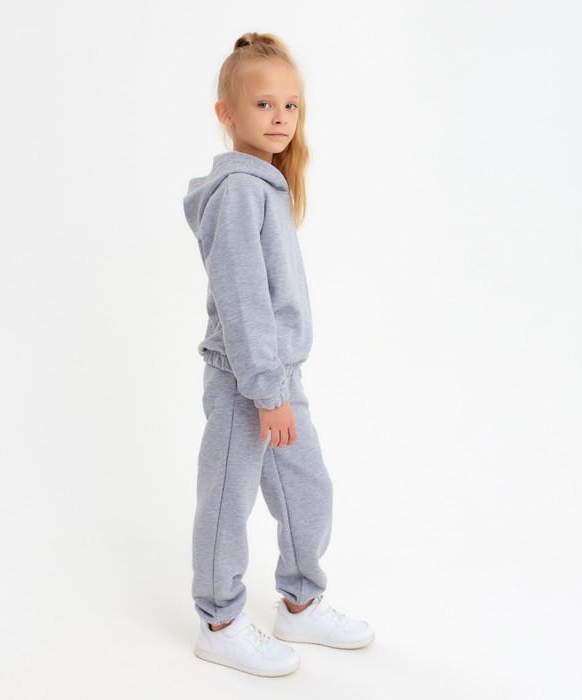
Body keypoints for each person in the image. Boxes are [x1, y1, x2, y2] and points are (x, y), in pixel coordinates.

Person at [183, 32, 374, 677]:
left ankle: (301, 602)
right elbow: (243, 302)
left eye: (291, 105)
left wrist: (281, 384)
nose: (280, 118)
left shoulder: (267, 187)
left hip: (278, 375)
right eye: (263, 104)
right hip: (245, 378)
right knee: (228, 499)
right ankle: (219, 620)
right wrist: (267, 392)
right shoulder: (238, 192)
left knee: (306, 486)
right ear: (227, 113)